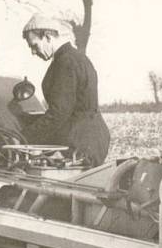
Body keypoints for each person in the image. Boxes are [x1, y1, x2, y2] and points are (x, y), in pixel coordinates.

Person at [21, 13, 110, 166]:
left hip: (79, 144)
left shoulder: (65, 63)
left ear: (48, 37)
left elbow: (59, 113)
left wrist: (24, 138)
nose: (33, 52)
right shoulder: (76, 57)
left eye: (34, 46)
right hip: (89, 138)